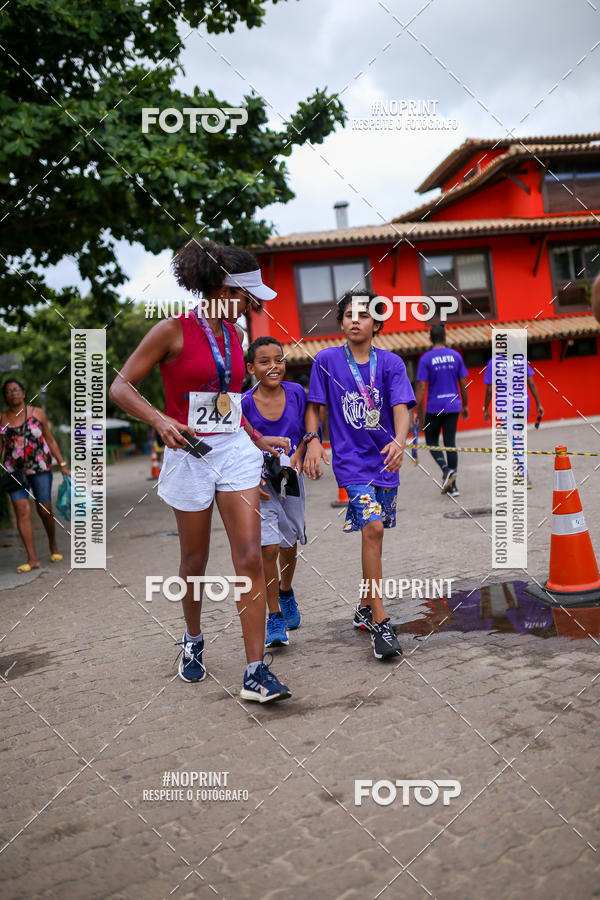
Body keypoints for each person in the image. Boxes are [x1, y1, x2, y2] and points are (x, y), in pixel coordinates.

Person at [109, 238, 292, 703]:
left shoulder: (237, 337)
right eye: (244, 295)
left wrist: (255, 436)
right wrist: (159, 419)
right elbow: (121, 387)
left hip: (234, 453)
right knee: (194, 562)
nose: (249, 304)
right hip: (188, 455)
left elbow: (227, 404)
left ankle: (255, 671)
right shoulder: (170, 331)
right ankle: (193, 638)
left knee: (249, 557)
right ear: (221, 287)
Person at [302, 290, 416, 660]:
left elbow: (402, 408)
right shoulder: (326, 361)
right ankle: (380, 623)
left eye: (363, 315)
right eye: (348, 314)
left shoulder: (392, 363)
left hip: (385, 461)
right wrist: (314, 442)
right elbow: (314, 408)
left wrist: (400, 441)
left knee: (376, 536)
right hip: (350, 463)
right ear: (340, 322)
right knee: (374, 527)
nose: (354, 320)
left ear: (377, 323)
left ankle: (366, 605)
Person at [242, 336, 306, 648]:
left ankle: (286, 589)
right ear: (251, 367)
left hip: (290, 478)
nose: (273, 366)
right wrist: (249, 477)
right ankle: (275, 616)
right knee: (268, 548)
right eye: (265, 361)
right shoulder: (243, 403)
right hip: (259, 482)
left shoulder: (296, 393)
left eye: (278, 359)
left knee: (289, 543)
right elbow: (238, 444)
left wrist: (305, 450)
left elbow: (308, 430)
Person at [0, 379, 69, 572]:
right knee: (22, 510)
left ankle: (53, 545)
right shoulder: (2, 420)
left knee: (44, 509)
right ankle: (32, 559)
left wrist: (62, 464)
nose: (13, 393)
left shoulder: (37, 413)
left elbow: (50, 439)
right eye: (8, 391)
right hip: (14, 471)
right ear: (5, 396)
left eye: (16, 390)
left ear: (23, 393)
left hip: (39, 467)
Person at [415, 324, 469, 497]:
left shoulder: (425, 358)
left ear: (430, 339)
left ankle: (446, 470)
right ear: (445, 337)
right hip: (453, 405)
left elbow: (422, 386)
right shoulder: (455, 356)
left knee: (431, 441)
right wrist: (465, 405)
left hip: (434, 407)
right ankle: (453, 486)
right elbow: (463, 383)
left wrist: (416, 409)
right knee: (450, 444)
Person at [483, 354, 543, 488]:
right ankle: (519, 473)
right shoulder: (521, 359)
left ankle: (524, 475)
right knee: (517, 439)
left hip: (505, 408)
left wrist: (486, 408)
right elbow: (531, 383)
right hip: (523, 406)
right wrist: (538, 404)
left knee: (515, 441)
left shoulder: (493, 362)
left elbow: (489, 390)